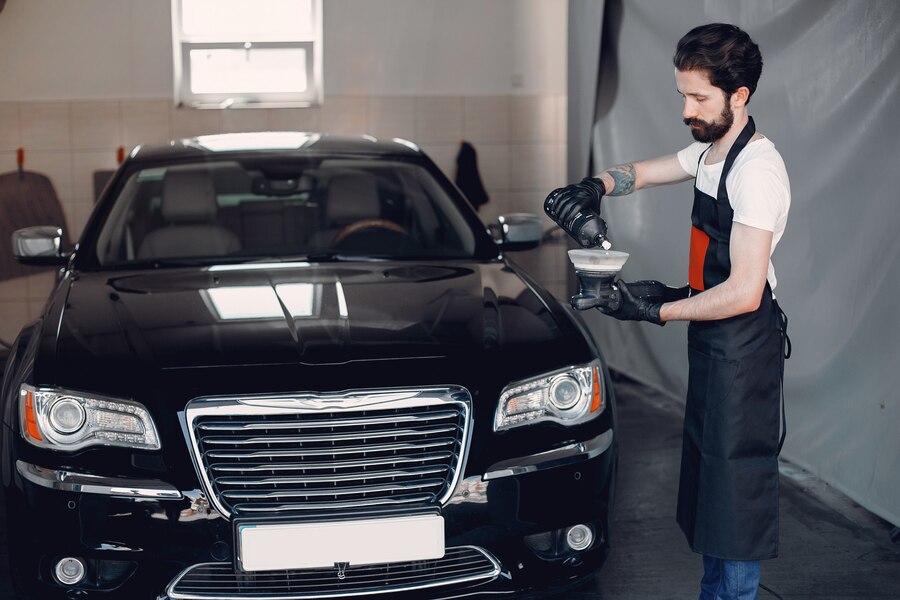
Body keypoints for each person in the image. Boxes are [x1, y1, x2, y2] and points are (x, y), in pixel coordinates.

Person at [544, 23, 791, 600]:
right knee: (710, 482)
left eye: (699, 97)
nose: (687, 109)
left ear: (740, 96)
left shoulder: (758, 171)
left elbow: (745, 291)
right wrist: (595, 185)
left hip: (744, 345)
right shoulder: (712, 150)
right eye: (683, 94)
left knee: (734, 495)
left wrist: (655, 309)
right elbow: (652, 170)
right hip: (713, 341)